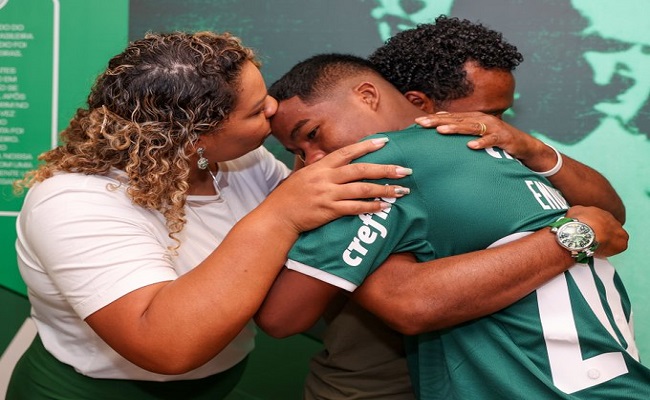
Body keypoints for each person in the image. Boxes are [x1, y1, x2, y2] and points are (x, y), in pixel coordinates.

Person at [6, 32, 415, 400]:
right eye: (256, 111)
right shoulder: (73, 203)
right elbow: (163, 344)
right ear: (193, 140)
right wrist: (278, 216)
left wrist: (462, 130)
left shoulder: (245, 163)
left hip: (216, 385)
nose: (272, 107)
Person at [255, 53, 648, 399]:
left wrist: (532, 148)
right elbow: (406, 301)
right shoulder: (368, 170)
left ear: (369, 95)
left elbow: (281, 318)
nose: (485, 128)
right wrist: (574, 235)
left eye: (496, 117)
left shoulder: (405, 160)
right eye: (299, 149)